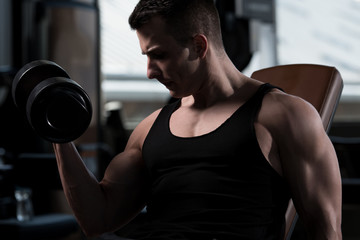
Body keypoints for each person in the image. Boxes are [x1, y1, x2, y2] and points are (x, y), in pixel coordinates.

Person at [53, 0, 342, 239]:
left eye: (159, 55)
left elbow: (326, 231)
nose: (149, 72)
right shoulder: (149, 129)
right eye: (146, 57)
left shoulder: (284, 116)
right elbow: (97, 219)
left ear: (199, 46)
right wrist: (60, 136)